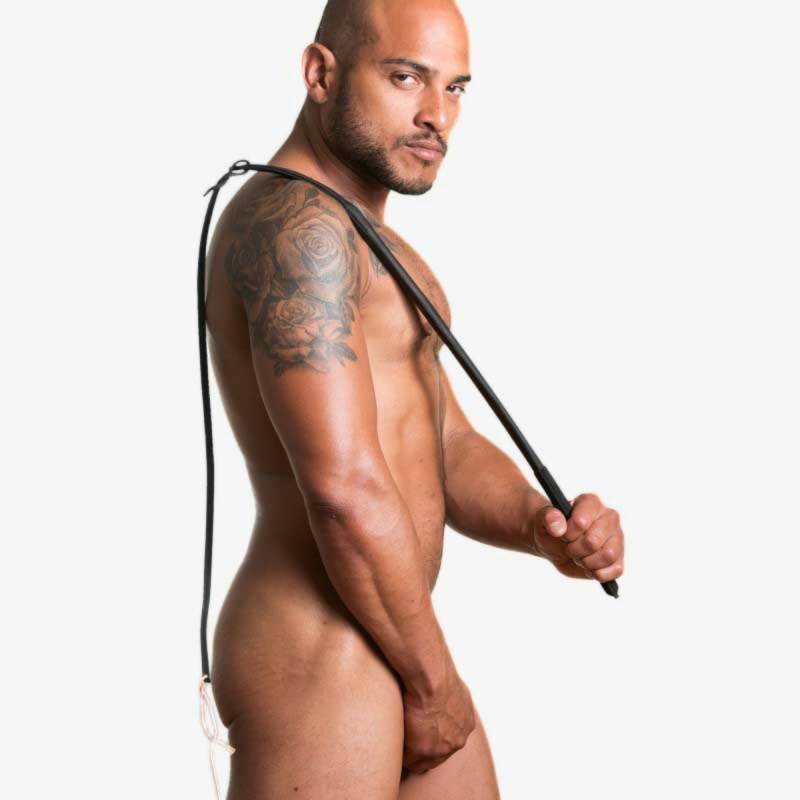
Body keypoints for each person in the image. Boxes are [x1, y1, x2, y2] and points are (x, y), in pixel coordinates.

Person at [203, 0, 626, 796]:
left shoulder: (368, 238)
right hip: (321, 651)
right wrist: (434, 685)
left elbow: (445, 445)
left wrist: (544, 527)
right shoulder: (298, 232)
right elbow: (343, 487)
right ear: (319, 73)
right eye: (406, 78)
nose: (438, 115)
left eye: (455, 88)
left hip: (399, 636)